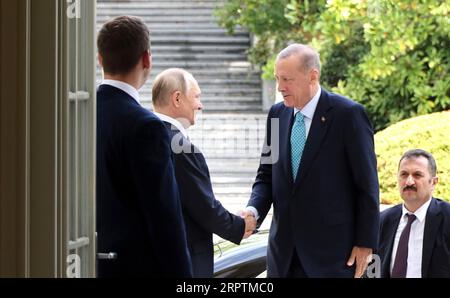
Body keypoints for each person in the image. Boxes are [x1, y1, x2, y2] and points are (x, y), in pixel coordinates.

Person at [242, 43, 380, 277]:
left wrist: (365, 243)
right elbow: (266, 175)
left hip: (333, 258)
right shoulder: (277, 114)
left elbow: (367, 186)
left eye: (286, 79)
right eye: (277, 78)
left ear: (312, 76)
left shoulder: (348, 115)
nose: (280, 87)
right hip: (283, 258)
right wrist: (253, 210)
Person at [96, 16, 192, 277]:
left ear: (100, 59)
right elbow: (165, 221)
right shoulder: (145, 126)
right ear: (147, 59)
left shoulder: (78, 113)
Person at [151, 68, 257, 277]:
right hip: (184, 262)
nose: (200, 105)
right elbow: (204, 207)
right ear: (177, 99)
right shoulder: (181, 148)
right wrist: (240, 226)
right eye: (196, 97)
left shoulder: (146, 137)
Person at [378, 149, 450, 278]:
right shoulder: (382, 220)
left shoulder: (447, 218)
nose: (409, 182)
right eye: (404, 174)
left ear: (433, 182)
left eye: (417, 175)